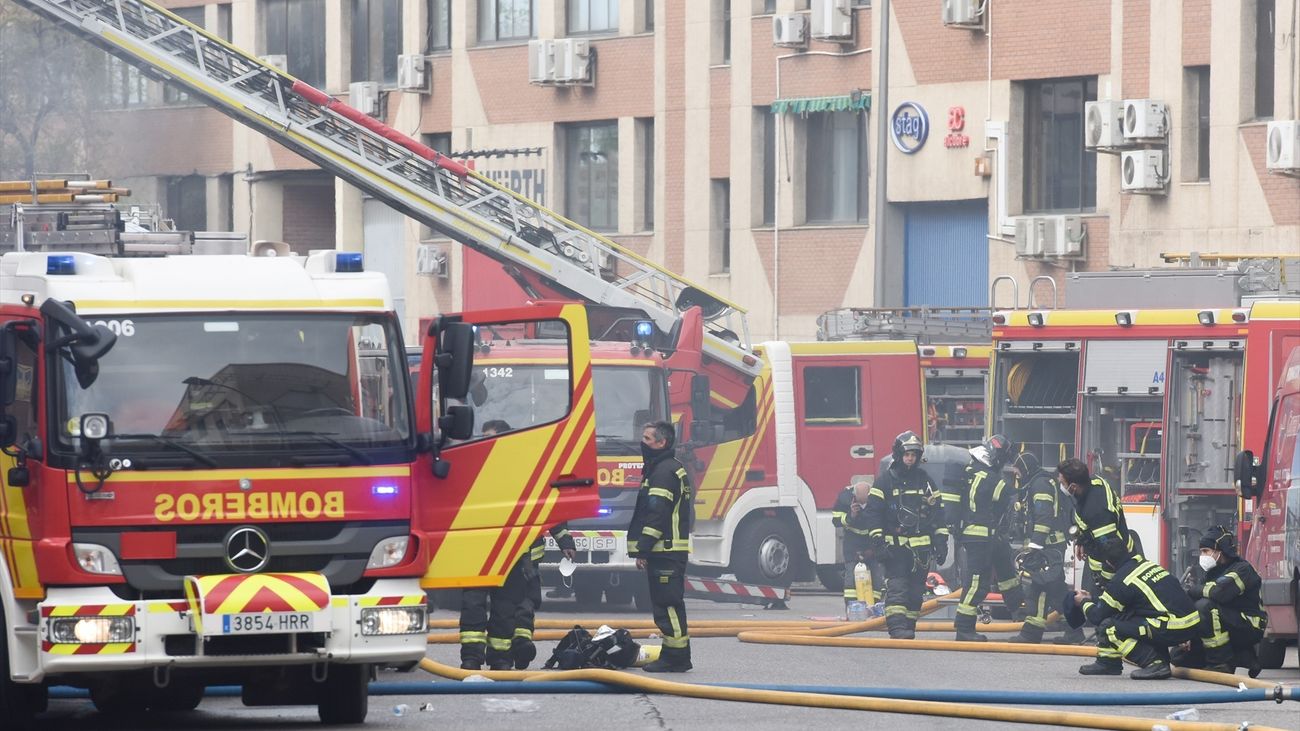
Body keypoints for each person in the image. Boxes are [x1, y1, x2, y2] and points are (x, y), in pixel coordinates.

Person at [1069, 540, 1200, 679]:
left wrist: (1083, 602)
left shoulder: (1121, 580)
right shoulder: (1146, 565)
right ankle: (1108, 662)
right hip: (1189, 623)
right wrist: (1094, 599)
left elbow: (1097, 616)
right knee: (1125, 618)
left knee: (1109, 627)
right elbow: (1120, 603)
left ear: (1108, 563)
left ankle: (1154, 664)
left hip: (1172, 625)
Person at [458, 419, 530, 670]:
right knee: (473, 606)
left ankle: (500, 657)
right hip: (478, 549)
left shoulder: (521, 472)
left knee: (505, 609)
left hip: (510, 552)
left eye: (488, 436)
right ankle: (471, 657)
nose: (482, 441)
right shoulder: (472, 467)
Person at [863, 431, 947, 639]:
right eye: (907, 454)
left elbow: (938, 512)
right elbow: (873, 514)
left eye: (914, 454)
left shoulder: (925, 481)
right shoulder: (885, 482)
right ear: (899, 455)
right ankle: (896, 627)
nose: (910, 458)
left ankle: (909, 625)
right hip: (896, 547)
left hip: (921, 550)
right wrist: (878, 543)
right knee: (898, 587)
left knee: (916, 591)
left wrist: (941, 540)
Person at [627, 420, 694, 672]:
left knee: (668, 604)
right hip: (667, 550)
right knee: (667, 604)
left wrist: (643, 548)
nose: (641, 443)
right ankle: (673, 652)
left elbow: (656, 515)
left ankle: (676, 657)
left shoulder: (663, 472)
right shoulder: (669, 468)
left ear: (661, 442)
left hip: (664, 551)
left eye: (646, 439)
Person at [952, 434, 1024, 642]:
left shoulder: (973, 470)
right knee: (977, 582)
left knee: (1007, 574)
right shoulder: (988, 476)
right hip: (980, 537)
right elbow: (1006, 494)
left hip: (990, 536)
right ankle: (964, 629)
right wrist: (1031, 483)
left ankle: (1019, 613)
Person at [1006, 451, 1081, 644]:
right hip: (1049, 546)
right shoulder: (1039, 482)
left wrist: (1035, 546)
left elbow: (1044, 517)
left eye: (1018, 471)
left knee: (1043, 587)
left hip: (1048, 546)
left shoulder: (1039, 485)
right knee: (1051, 588)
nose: (1017, 475)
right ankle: (1071, 631)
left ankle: (1033, 633)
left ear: (1026, 468)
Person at [1174, 526, 1267, 676]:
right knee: (1178, 657)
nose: (1202, 555)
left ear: (1220, 551)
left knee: (1205, 607)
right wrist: (1187, 637)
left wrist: (1194, 590)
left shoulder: (1242, 569)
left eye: (1206, 551)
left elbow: (1219, 593)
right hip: (1227, 621)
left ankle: (1221, 662)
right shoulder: (1212, 572)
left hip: (1250, 625)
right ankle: (1242, 656)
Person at [1057, 458, 1140, 596]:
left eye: (1062, 483)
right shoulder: (1094, 482)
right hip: (1099, 563)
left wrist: (1105, 585)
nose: (1061, 486)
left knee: (1098, 611)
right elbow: (1085, 521)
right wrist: (1081, 540)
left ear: (1073, 487)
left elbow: (1111, 551)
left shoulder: (1097, 512)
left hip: (1115, 569)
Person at [511, 522, 577, 669]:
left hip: (527, 562)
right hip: (503, 559)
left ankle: (521, 645)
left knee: (526, 603)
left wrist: (566, 543)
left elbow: (553, 514)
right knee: (505, 606)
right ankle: (506, 654)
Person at [832, 480, 880, 613]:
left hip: (872, 540)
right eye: (861, 502)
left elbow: (881, 523)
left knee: (877, 577)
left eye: (866, 502)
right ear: (854, 496)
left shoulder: (877, 500)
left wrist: (873, 549)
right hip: (852, 542)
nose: (863, 505)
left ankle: (875, 608)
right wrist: (850, 516)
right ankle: (851, 609)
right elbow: (836, 520)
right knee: (850, 579)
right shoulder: (844, 499)